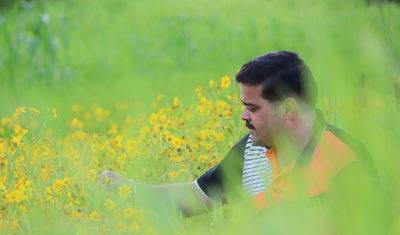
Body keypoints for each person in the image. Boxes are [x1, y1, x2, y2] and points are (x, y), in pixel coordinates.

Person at [100, 51, 365, 216]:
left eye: (252, 108)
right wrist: (129, 190)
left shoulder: (346, 159)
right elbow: (196, 198)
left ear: (288, 108)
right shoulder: (251, 150)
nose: (243, 117)